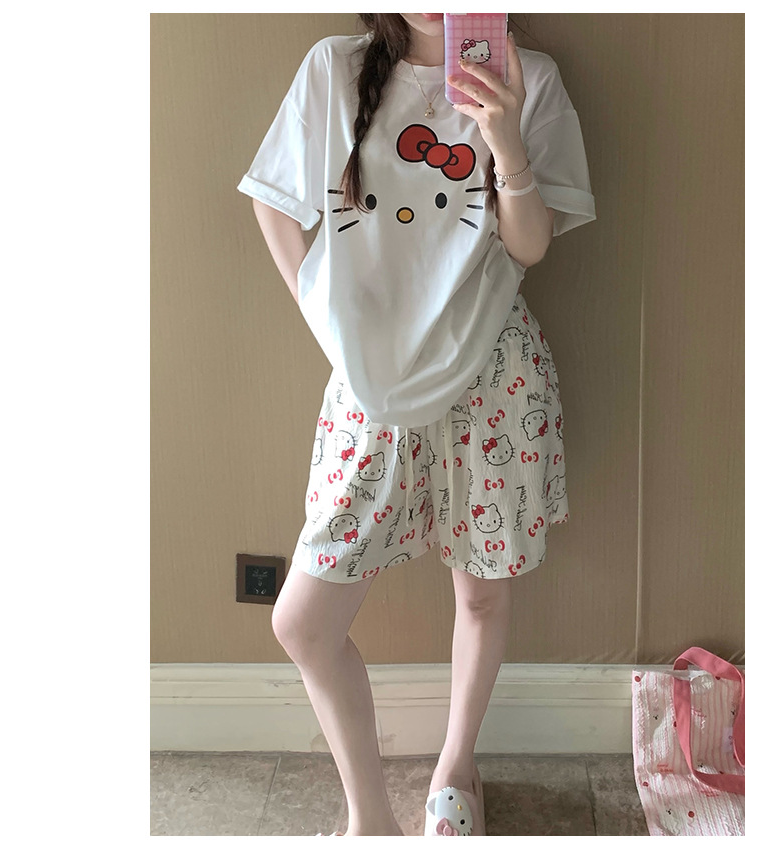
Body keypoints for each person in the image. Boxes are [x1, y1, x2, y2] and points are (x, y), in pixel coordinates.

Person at [237, 12, 596, 837]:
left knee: (481, 593)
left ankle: (455, 771)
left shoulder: (531, 77)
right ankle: (370, 821)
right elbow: (273, 203)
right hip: (372, 390)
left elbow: (531, 247)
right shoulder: (334, 70)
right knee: (304, 623)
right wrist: (329, 327)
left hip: (492, 379)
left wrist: (504, 137)